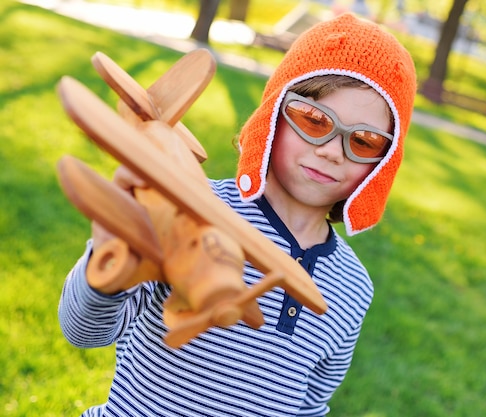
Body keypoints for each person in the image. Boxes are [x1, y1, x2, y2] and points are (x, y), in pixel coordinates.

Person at [58, 12, 417, 416]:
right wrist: (109, 258)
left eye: (364, 141)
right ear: (274, 114)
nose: (332, 150)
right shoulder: (186, 206)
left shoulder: (353, 289)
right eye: (314, 120)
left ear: (383, 163)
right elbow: (83, 331)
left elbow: (311, 406)